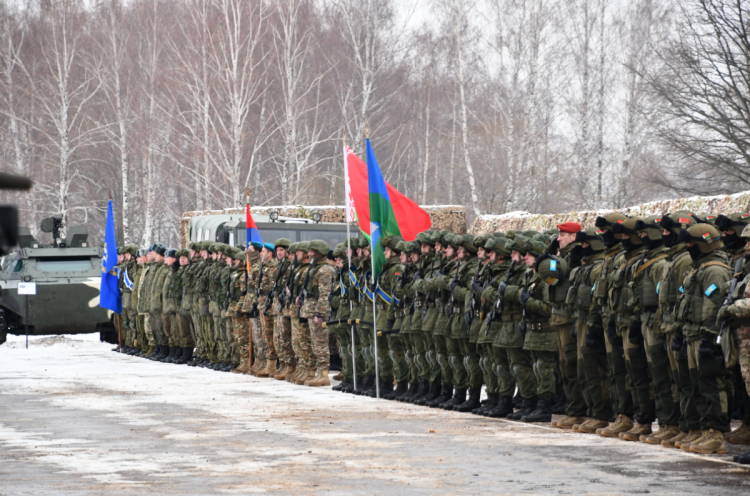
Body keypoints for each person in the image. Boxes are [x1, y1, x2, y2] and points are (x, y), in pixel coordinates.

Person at [673, 224, 732, 454]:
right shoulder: (700, 268)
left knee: (712, 385)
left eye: (691, 243)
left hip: (705, 336)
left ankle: (715, 434)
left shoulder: (714, 271)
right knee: (697, 385)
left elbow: (714, 307)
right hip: (693, 333)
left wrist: (709, 337)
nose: (688, 248)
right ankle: (703, 430)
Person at [301, 240, 336, 387]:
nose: (308, 254)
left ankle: (323, 374)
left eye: (311, 251)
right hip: (311, 309)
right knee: (315, 342)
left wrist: (320, 313)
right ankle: (318, 372)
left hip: (318, 311)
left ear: (319, 252)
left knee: (320, 343)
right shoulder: (315, 268)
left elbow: (324, 294)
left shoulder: (325, 270)